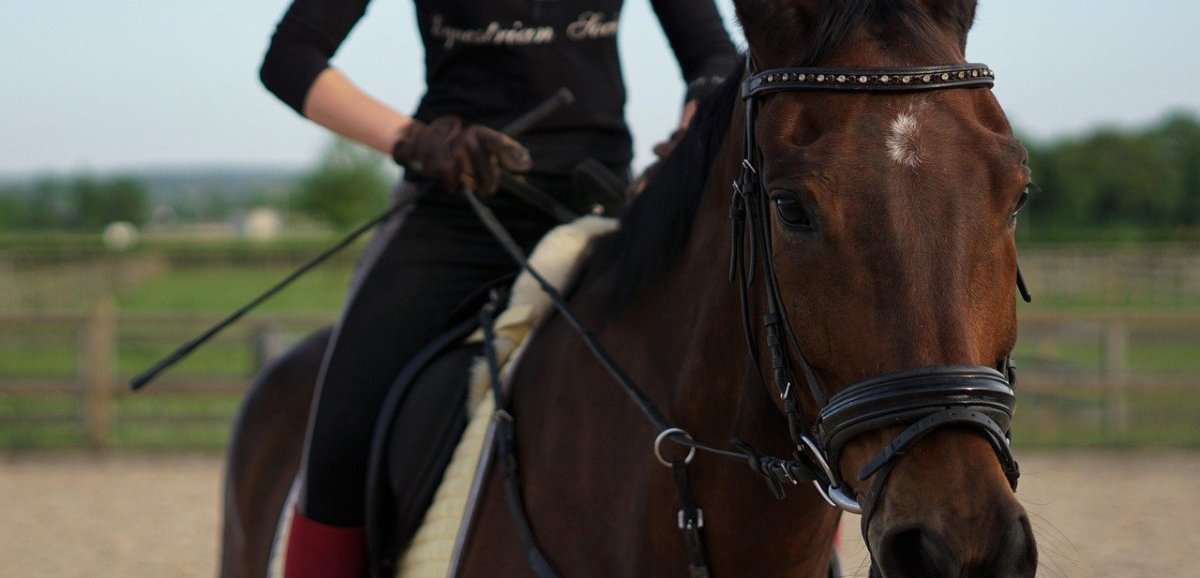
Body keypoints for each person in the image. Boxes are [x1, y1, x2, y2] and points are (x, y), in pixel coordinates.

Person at [258, 1, 737, 576]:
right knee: (342, 425)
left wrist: (692, 133)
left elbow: (712, 55)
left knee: (749, 380)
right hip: (453, 209)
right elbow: (290, 59)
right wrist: (414, 140)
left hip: (595, 207)